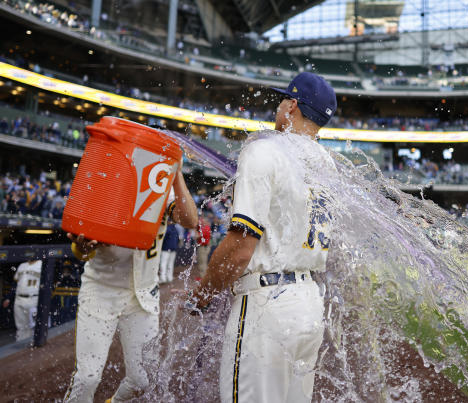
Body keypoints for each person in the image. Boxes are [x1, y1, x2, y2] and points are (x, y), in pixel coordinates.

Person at [189, 72, 337, 403]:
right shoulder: (328, 165)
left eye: (283, 99)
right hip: (310, 304)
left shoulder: (265, 151)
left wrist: (202, 296)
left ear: (292, 107)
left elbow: (241, 248)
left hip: (266, 305)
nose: (279, 105)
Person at [63, 159, 198, 403]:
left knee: (142, 381)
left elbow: (190, 220)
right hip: (101, 289)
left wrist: (176, 173)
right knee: (88, 378)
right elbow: (81, 251)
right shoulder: (104, 186)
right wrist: (82, 246)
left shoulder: (160, 188)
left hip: (143, 295)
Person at [2, 259, 42, 341]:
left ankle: (32, 345)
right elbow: (15, 283)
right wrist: (9, 298)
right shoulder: (22, 265)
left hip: (33, 298)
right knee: (20, 326)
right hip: (19, 299)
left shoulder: (41, 264)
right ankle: (20, 344)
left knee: (33, 325)